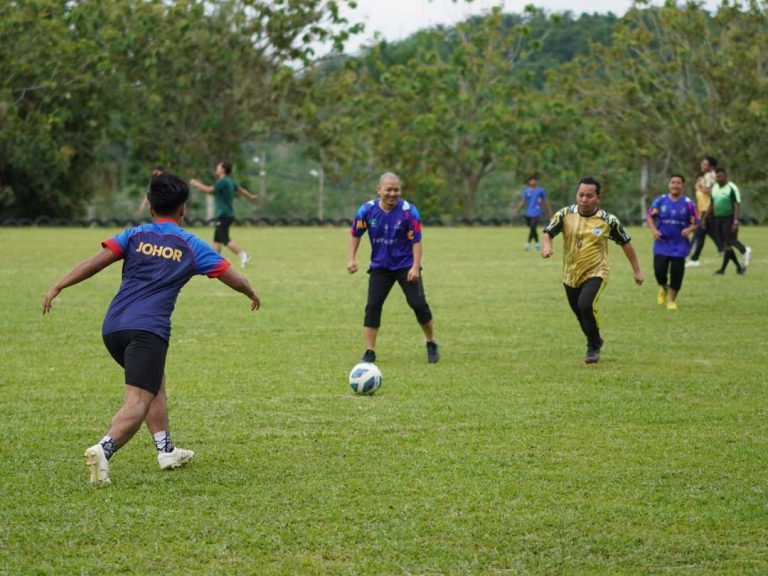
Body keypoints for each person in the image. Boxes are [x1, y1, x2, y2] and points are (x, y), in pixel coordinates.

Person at [42, 172, 261, 485]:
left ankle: (166, 450)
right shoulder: (191, 245)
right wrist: (250, 292)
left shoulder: (134, 235)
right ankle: (103, 449)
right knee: (137, 400)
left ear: (151, 207)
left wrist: (58, 285)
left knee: (154, 381)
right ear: (183, 208)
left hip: (113, 327)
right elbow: (233, 277)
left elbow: (95, 261)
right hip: (147, 332)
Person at [542, 176, 644, 364]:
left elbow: (626, 243)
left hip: (597, 271)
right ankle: (596, 339)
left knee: (585, 305)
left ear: (598, 198)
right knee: (579, 312)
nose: (584, 200)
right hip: (570, 273)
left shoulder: (608, 220)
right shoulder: (565, 214)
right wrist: (547, 247)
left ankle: (592, 347)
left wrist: (637, 270)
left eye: (589, 196)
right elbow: (548, 232)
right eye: (581, 195)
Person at [347, 172, 439, 364]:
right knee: (372, 307)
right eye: (388, 189)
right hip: (380, 267)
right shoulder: (366, 211)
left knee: (418, 304)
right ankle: (370, 351)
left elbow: (416, 241)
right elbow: (356, 234)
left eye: (396, 190)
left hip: (405, 267)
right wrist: (351, 259)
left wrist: (415, 267)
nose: (392, 193)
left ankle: (430, 342)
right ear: (379, 190)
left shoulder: (408, 212)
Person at [645, 175, 699, 310]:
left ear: (683, 186)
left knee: (677, 274)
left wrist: (689, 229)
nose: (675, 185)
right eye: (673, 182)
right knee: (659, 272)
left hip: (679, 245)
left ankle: (671, 300)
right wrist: (653, 230)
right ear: (669, 185)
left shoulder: (688, 203)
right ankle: (664, 287)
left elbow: (696, 222)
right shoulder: (660, 201)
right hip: (662, 243)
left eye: (678, 183)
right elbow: (649, 216)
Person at [190, 161, 258, 267]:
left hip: (223, 214)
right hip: (228, 214)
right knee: (217, 239)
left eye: (218, 166)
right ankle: (214, 262)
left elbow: (209, 190)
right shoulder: (231, 181)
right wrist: (251, 197)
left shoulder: (222, 182)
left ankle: (243, 255)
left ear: (223, 169)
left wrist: (196, 184)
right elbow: (241, 190)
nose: (217, 168)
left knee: (224, 239)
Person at [703, 167, 748, 275]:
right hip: (717, 219)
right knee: (726, 246)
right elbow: (712, 204)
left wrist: (735, 221)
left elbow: (736, 204)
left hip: (729, 217)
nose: (718, 178)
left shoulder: (731, 188)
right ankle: (738, 267)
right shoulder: (714, 188)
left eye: (720, 176)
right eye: (717, 177)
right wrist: (704, 218)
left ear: (726, 177)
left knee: (728, 243)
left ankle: (745, 250)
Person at [686, 156, 720, 267]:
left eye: (704, 164)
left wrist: (699, 187)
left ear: (711, 166)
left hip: (708, 209)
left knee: (699, 233)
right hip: (703, 209)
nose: (702, 166)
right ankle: (724, 249)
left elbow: (712, 192)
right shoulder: (706, 176)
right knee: (704, 233)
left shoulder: (711, 176)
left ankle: (691, 256)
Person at [514, 174, 552, 251]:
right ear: (529, 182)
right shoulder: (527, 191)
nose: (533, 181)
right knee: (532, 228)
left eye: (534, 180)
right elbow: (523, 201)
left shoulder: (540, 191)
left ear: (536, 181)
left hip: (537, 211)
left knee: (532, 226)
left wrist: (549, 211)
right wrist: (517, 209)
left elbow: (545, 201)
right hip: (529, 212)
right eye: (531, 180)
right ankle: (537, 243)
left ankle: (528, 244)